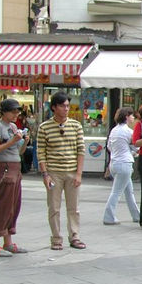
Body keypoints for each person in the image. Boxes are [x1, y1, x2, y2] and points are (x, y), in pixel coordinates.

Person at [37, 92, 87, 250]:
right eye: (62, 106)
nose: (66, 109)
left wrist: (79, 173)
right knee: (54, 207)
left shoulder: (76, 126)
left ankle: (75, 236)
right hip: (54, 173)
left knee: (74, 208)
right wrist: (45, 174)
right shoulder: (44, 127)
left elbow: (81, 150)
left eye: (67, 106)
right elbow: (41, 153)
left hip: (72, 171)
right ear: (54, 107)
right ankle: (56, 239)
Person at [0, 99, 30, 257]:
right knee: (3, 206)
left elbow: (19, 152)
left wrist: (24, 143)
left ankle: (8, 242)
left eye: (18, 112)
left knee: (13, 206)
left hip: (15, 167)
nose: (16, 115)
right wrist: (12, 141)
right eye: (13, 112)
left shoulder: (13, 127)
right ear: (4, 112)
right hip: (5, 168)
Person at [102, 107, 140, 225]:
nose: (133, 118)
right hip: (125, 163)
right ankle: (109, 216)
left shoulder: (114, 130)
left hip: (114, 163)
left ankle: (137, 215)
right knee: (117, 192)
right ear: (127, 117)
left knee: (129, 191)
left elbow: (109, 146)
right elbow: (136, 146)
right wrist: (133, 151)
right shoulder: (128, 132)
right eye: (131, 115)